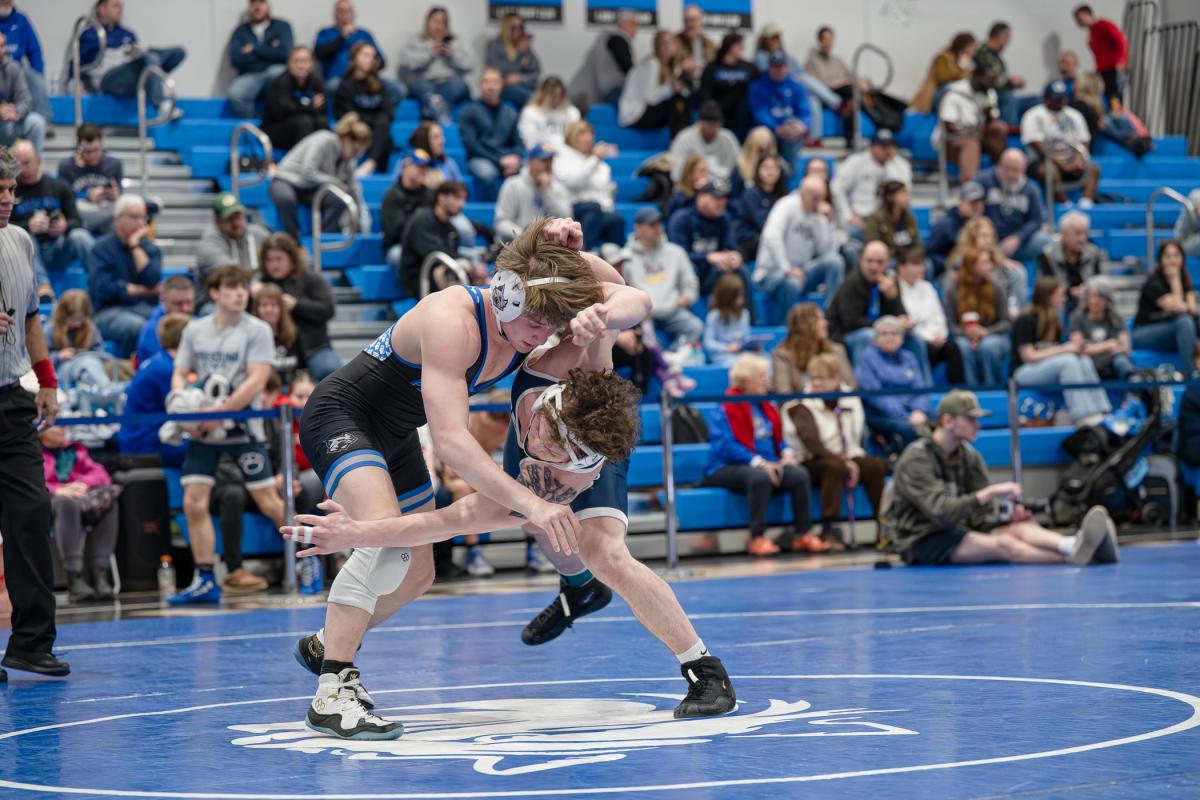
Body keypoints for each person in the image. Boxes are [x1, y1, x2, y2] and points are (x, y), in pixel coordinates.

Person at [287, 218, 652, 739]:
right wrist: (533, 503)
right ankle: (333, 691)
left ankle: (330, 639)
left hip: (395, 432)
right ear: (504, 296)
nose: (542, 337)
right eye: (536, 324)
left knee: (418, 574)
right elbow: (454, 442)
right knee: (382, 545)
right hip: (343, 416)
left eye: (551, 327)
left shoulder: (534, 301)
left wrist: (594, 303)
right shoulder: (451, 319)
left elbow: (636, 299)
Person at [285, 315, 735, 726]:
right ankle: (577, 589)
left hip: (599, 443)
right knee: (421, 570)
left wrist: (358, 533)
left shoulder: (554, 475)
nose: (534, 438)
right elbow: (624, 293)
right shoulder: (553, 364)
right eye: (540, 428)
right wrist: (598, 300)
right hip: (573, 426)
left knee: (606, 553)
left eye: (551, 449)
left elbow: (447, 522)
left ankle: (704, 669)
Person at [886, 390, 1117, 566]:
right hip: (921, 538)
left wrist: (1004, 520)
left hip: (957, 529)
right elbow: (940, 513)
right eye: (971, 419)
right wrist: (987, 494)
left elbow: (979, 517)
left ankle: (1071, 544)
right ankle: (1083, 556)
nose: (978, 425)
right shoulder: (917, 458)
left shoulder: (969, 456)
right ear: (948, 421)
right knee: (1006, 544)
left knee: (1021, 527)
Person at [166, 266, 285, 605]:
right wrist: (182, 407)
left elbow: (256, 381)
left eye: (244, 287)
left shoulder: (258, 329)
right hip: (203, 431)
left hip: (241, 429)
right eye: (232, 287)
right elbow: (180, 373)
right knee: (193, 501)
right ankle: (205, 579)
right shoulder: (195, 329)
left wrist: (215, 416)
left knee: (269, 502)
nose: (240, 294)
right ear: (215, 292)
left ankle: (315, 560)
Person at [0, 145, 68, 680]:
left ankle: (30, 642)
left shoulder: (20, 240)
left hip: (11, 398)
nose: (5, 200)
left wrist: (46, 382)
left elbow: (30, 319)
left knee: (30, 514)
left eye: (11, 190)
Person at [700, 353, 819, 556]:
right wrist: (759, 462)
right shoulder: (724, 407)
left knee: (799, 474)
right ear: (746, 381)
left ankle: (803, 533)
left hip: (768, 462)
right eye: (762, 377)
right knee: (760, 477)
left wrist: (786, 452)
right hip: (725, 466)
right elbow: (725, 446)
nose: (768, 381)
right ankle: (757, 537)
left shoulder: (766, 406)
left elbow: (777, 439)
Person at [789, 352, 886, 550]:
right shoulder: (800, 404)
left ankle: (885, 528)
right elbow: (812, 443)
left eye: (822, 378)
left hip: (846, 455)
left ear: (836, 379)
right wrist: (845, 462)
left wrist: (851, 459)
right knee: (835, 467)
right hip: (812, 460)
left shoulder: (850, 398)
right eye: (813, 378)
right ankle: (828, 531)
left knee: (875, 466)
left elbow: (855, 435)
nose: (816, 383)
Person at [1011, 277, 1111, 425]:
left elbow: (1055, 353)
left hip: (1045, 369)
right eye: (1060, 295)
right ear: (1049, 296)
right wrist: (1064, 349)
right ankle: (1083, 417)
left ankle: (1103, 411)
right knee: (1069, 361)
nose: (1064, 299)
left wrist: (1072, 349)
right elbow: (1028, 356)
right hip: (1022, 372)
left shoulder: (1055, 321)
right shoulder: (1026, 319)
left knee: (1083, 359)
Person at [827, 241, 931, 383]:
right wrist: (885, 328)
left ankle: (924, 388)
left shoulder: (890, 281)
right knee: (867, 336)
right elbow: (851, 323)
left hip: (882, 331)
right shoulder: (851, 283)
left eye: (879, 262)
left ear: (887, 263)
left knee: (914, 339)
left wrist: (893, 298)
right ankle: (865, 391)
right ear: (861, 260)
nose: (874, 266)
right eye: (869, 261)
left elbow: (901, 315)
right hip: (846, 336)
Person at [41, 421, 118, 603]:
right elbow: (30, 481)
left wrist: (82, 485)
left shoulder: (76, 451)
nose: (62, 428)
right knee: (66, 503)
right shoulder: (32, 453)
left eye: (62, 424)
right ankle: (74, 576)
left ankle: (101, 574)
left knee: (109, 503)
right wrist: (58, 489)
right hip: (47, 502)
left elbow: (101, 475)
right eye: (55, 425)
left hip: (80, 499)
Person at [78, 0, 186, 120]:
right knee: (151, 58)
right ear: (101, 9)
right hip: (108, 79)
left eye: (121, 7)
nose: (120, 10)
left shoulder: (128, 34)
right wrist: (76, 86)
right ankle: (160, 104)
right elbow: (77, 65)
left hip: (131, 74)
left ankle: (151, 81)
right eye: (115, 6)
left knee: (178, 53)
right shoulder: (91, 35)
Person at [269, 113, 370, 242]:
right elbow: (308, 173)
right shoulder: (324, 139)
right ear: (346, 140)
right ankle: (294, 243)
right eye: (355, 150)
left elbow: (353, 186)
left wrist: (362, 215)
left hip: (310, 189)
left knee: (340, 198)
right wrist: (336, 182)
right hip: (286, 180)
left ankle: (323, 241)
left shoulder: (349, 161)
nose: (355, 156)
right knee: (286, 199)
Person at [254, 232, 340, 382]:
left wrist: (297, 304)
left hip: (314, 348)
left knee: (330, 372)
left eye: (279, 259)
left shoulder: (311, 279)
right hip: (273, 349)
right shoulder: (260, 285)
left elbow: (328, 309)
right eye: (269, 260)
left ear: (292, 259)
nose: (274, 265)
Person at [755, 175, 844, 315]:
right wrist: (786, 268)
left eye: (822, 198)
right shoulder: (786, 205)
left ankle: (831, 317)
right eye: (815, 198)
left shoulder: (819, 216)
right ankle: (787, 330)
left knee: (835, 261)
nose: (819, 203)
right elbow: (771, 237)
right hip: (771, 273)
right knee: (793, 283)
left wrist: (829, 223)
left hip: (802, 271)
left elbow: (826, 251)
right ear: (802, 195)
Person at [11, 141, 93, 292]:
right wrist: (28, 225)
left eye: (27, 163)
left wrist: (64, 225)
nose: (23, 169)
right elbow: (4, 227)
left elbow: (77, 220)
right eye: (18, 164)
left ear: (39, 161)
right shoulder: (9, 189)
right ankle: (43, 286)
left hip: (59, 248)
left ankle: (99, 280)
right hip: (26, 253)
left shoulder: (59, 186)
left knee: (80, 235)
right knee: (24, 236)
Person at [87, 194, 161, 359]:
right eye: (134, 217)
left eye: (143, 218)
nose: (140, 223)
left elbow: (153, 279)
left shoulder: (149, 249)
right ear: (117, 218)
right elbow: (103, 288)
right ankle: (135, 369)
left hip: (144, 308)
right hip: (108, 311)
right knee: (137, 327)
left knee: (168, 324)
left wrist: (135, 247)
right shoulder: (101, 249)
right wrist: (144, 290)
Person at [622, 206, 703, 349]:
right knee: (645, 341)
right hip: (644, 314)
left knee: (696, 327)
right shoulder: (626, 257)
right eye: (651, 225)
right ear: (638, 227)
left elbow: (691, 282)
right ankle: (662, 362)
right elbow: (623, 289)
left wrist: (687, 297)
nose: (657, 228)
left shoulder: (675, 252)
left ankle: (672, 358)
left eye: (659, 223)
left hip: (673, 309)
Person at [119, 311, 190, 466]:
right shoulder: (166, 369)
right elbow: (182, 411)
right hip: (144, 444)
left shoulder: (161, 361)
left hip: (144, 437)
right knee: (207, 450)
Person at [668, 178, 751, 300]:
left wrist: (734, 256)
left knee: (739, 269)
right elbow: (678, 257)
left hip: (712, 272)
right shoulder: (681, 219)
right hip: (690, 274)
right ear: (701, 197)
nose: (721, 203)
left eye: (724, 198)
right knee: (693, 269)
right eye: (716, 198)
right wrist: (708, 256)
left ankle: (752, 318)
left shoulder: (724, 219)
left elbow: (729, 247)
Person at [855, 315, 931, 449]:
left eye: (894, 333)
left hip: (912, 413)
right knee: (908, 429)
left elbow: (920, 388)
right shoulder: (867, 358)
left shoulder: (909, 358)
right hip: (881, 414)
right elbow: (875, 395)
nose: (889, 337)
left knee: (939, 423)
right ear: (875, 338)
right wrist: (905, 416)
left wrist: (919, 410)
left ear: (902, 338)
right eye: (884, 334)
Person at [1021, 81, 1099, 208]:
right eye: (1057, 98)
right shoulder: (1034, 115)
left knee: (1093, 168)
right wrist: (1062, 164)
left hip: (1071, 160)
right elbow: (1037, 146)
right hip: (1042, 161)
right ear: (1046, 98)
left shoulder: (1074, 115)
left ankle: (1086, 204)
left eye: (1063, 97)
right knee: (1049, 170)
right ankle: (1064, 204)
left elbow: (1084, 141)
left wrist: (1078, 160)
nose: (1061, 101)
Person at [396, 180, 476, 298]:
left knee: (481, 277)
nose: (461, 204)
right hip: (418, 277)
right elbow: (433, 253)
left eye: (464, 200)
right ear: (441, 198)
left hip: (441, 271)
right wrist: (465, 262)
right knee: (445, 272)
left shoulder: (451, 229)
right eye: (457, 198)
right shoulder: (421, 221)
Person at [945, 246, 1012, 386]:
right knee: (961, 346)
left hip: (994, 335)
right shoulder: (953, 289)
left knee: (988, 346)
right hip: (964, 336)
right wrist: (965, 332)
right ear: (972, 266)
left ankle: (991, 386)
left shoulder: (997, 287)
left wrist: (986, 331)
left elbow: (1006, 322)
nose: (990, 266)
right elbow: (950, 324)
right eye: (985, 262)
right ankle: (971, 388)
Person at [897, 246, 965, 384]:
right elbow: (909, 323)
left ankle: (959, 391)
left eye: (921, 264)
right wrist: (929, 338)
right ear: (901, 268)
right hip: (915, 340)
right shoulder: (895, 290)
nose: (921, 269)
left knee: (953, 348)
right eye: (915, 265)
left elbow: (939, 317)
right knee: (918, 344)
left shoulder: (927, 287)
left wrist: (940, 335)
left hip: (937, 338)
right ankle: (924, 391)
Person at [1132, 240, 1199, 377]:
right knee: (1184, 322)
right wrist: (1175, 279)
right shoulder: (1153, 282)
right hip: (1144, 334)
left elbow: (1193, 311)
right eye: (1168, 256)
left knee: (1190, 323)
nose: (1172, 260)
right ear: (1160, 259)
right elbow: (1179, 307)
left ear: (1182, 258)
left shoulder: (1186, 281)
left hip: (1174, 332)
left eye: (1176, 256)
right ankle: (1190, 375)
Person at [315, 0, 403, 104]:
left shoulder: (364, 34)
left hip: (366, 79)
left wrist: (368, 63)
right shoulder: (325, 33)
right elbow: (318, 53)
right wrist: (342, 37)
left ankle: (380, 115)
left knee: (398, 89)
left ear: (354, 14)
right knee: (333, 87)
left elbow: (382, 61)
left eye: (348, 11)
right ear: (334, 14)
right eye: (341, 11)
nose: (345, 15)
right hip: (338, 79)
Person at [554, 121, 624, 251]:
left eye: (590, 134)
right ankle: (585, 252)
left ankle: (616, 260)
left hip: (598, 209)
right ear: (572, 136)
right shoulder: (562, 157)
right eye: (582, 133)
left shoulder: (600, 164)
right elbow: (573, 182)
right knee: (592, 208)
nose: (588, 138)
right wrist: (594, 160)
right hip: (571, 208)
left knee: (617, 220)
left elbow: (605, 189)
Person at [195, 192, 271, 310]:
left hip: (252, 298)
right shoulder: (209, 244)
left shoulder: (259, 235)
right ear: (217, 221)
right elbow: (230, 272)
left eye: (238, 216)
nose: (236, 223)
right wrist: (254, 285)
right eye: (229, 219)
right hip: (215, 301)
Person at [830, 129, 912, 237]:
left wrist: (891, 165)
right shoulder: (856, 162)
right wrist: (848, 215)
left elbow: (904, 194)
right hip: (861, 217)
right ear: (872, 147)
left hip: (889, 219)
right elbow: (836, 188)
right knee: (852, 238)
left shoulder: (901, 165)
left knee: (906, 236)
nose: (888, 150)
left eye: (891, 146)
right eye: (883, 147)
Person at [932, 63, 1007, 182]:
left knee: (999, 128)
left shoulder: (989, 93)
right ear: (976, 77)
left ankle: (1000, 175)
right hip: (953, 141)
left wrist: (988, 114)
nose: (991, 84)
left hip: (979, 135)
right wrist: (970, 134)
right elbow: (949, 126)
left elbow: (991, 123)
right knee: (971, 143)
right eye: (988, 80)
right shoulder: (954, 94)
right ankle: (969, 186)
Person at [978, 148, 1052, 265]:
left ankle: (1040, 281)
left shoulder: (1031, 189)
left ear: (1023, 171)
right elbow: (971, 210)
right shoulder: (983, 181)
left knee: (1044, 240)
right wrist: (986, 238)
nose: (1010, 174)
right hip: (987, 240)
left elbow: (1036, 221)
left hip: (1016, 243)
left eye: (1015, 170)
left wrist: (1017, 238)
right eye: (1007, 169)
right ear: (999, 165)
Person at [400, 6, 471, 123]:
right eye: (436, 21)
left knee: (458, 85)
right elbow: (407, 63)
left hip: (450, 82)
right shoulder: (415, 41)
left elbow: (469, 65)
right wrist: (430, 54)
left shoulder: (456, 42)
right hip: (424, 81)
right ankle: (443, 121)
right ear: (427, 22)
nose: (439, 25)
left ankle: (433, 116)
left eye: (443, 22)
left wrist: (452, 55)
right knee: (425, 89)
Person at [460, 67, 523, 202]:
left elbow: (518, 143)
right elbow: (472, 146)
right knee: (487, 173)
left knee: (528, 170)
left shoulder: (509, 112)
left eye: (495, 82)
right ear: (480, 85)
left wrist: (515, 158)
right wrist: (499, 161)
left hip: (506, 157)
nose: (491, 86)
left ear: (501, 85)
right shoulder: (469, 111)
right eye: (486, 82)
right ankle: (498, 210)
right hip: (480, 157)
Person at [946, 215, 1027, 317]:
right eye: (984, 236)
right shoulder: (959, 262)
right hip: (971, 312)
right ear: (972, 238)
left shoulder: (998, 261)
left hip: (1000, 310)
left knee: (1017, 271)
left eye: (991, 236)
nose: (989, 240)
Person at [333, 42, 395, 176]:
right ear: (354, 58)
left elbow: (388, 111)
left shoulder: (379, 84)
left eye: (372, 56)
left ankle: (370, 164)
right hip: (355, 128)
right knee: (374, 125)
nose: (370, 60)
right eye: (365, 55)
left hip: (376, 128)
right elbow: (346, 115)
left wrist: (371, 119)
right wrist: (369, 119)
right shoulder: (345, 85)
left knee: (384, 126)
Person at [226, 0, 293, 119]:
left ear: (268, 6)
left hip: (274, 71)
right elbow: (236, 59)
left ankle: (279, 119)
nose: (257, 7)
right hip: (250, 74)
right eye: (253, 3)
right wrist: (270, 50)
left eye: (261, 2)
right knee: (235, 94)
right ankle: (254, 124)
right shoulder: (240, 31)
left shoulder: (282, 26)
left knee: (277, 73)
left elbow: (285, 53)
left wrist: (254, 49)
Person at [771, 303, 856, 393]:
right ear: (804, 325)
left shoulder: (836, 350)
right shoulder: (782, 355)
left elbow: (851, 386)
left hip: (834, 404)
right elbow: (784, 393)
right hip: (799, 406)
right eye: (820, 319)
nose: (826, 323)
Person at [619, 30, 691, 135]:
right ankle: (678, 143)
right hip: (636, 114)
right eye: (663, 43)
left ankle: (681, 140)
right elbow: (650, 97)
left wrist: (680, 88)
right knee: (675, 103)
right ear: (657, 47)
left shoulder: (672, 67)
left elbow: (683, 93)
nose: (667, 47)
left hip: (648, 110)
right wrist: (671, 88)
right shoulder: (652, 64)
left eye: (671, 42)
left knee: (683, 102)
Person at [495, 143, 571, 242]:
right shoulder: (512, 184)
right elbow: (501, 222)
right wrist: (525, 236)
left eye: (550, 161)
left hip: (547, 246)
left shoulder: (557, 188)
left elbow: (566, 218)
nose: (548, 165)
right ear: (530, 161)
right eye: (543, 161)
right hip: (515, 243)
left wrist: (547, 192)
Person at [56, 124, 121, 236]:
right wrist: (88, 195)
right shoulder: (67, 166)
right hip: (81, 211)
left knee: (123, 208)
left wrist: (115, 194)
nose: (91, 156)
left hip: (105, 208)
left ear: (101, 144)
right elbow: (63, 199)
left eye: (95, 150)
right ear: (78, 147)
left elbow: (120, 194)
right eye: (86, 151)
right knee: (75, 208)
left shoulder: (114, 164)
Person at [748, 50, 811, 165]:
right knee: (761, 135)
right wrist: (776, 128)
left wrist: (801, 125)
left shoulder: (796, 85)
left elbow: (805, 112)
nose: (779, 71)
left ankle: (788, 177)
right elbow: (759, 113)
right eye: (775, 67)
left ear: (787, 67)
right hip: (770, 129)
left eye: (781, 67)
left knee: (793, 135)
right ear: (769, 67)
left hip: (791, 128)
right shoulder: (758, 86)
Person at [260, 46, 328, 151]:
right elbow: (284, 111)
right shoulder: (281, 82)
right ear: (289, 63)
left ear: (312, 64)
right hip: (276, 129)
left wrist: (304, 107)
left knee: (322, 122)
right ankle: (302, 161)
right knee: (303, 122)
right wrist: (310, 106)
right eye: (296, 61)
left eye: (305, 61)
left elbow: (322, 110)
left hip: (303, 126)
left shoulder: (316, 82)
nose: (301, 65)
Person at [568, 8, 637, 109]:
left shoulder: (606, 39)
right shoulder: (617, 39)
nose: (636, 29)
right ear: (622, 23)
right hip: (611, 91)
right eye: (633, 24)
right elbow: (628, 67)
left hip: (593, 92)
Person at [1068, 275, 1133, 380]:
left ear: (1107, 299)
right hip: (1088, 362)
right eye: (1091, 296)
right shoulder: (1077, 317)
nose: (1095, 301)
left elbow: (1125, 348)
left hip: (1111, 363)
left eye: (1099, 297)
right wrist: (1108, 345)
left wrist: (1093, 348)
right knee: (1081, 362)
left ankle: (1135, 384)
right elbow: (1078, 348)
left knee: (1121, 361)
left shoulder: (1116, 318)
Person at [1038, 210, 1102, 316]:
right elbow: (1045, 287)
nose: (1082, 239)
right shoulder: (1048, 255)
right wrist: (1069, 292)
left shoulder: (1093, 252)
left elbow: (1099, 280)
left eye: (1084, 233)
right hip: (1059, 298)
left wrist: (1087, 290)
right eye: (1077, 234)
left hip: (1086, 297)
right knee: (1057, 305)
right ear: (1064, 235)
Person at [43, 290, 109, 389]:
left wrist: (84, 353)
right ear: (64, 315)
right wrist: (59, 356)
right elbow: (41, 360)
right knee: (86, 366)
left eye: (81, 319)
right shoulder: (50, 329)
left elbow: (100, 353)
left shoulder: (89, 328)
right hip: (62, 370)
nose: (77, 323)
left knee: (88, 369)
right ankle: (105, 392)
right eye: (73, 319)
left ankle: (103, 392)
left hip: (88, 365)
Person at [700, 34, 758, 140]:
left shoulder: (750, 68)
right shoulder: (712, 68)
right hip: (719, 114)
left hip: (742, 116)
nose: (742, 49)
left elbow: (758, 91)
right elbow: (705, 94)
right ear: (729, 46)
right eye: (739, 46)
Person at [382, 150, 434, 269]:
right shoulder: (392, 195)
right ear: (406, 166)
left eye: (425, 167)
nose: (423, 171)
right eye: (419, 166)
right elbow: (394, 232)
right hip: (399, 245)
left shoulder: (429, 194)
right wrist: (418, 215)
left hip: (426, 243)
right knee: (400, 255)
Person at [669, 100, 740, 185]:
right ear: (700, 122)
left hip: (723, 188)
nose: (712, 127)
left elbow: (740, 165)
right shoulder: (684, 139)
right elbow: (676, 174)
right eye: (709, 123)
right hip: (692, 187)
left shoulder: (727, 138)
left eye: (715, 123)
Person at [0, 0, 50, 119]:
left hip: (15, 70)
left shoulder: (21, 20)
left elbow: (34, 51)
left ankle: (43, 121)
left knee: (35, 79)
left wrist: (39, 75)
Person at [733, 153, 787, 262]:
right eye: (766, 168)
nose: (771, 172)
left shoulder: (783, 195)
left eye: (775, 168)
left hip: (774, 239)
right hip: (750, 241)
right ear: (758, 170)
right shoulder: (750, 193)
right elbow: (763, 223)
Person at [927, 180, 985, 280]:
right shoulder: (944, 226)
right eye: (972, 202)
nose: (977, 206)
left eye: (980, 202)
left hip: (980, 269)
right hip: (951, 272)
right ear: (961, 202)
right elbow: (931, 254)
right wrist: (950, 264)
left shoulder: (985, 225)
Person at [1073, 4, 1128, 106]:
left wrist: (1121, 61)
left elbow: (1121, 42)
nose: (1079, 23)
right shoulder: (1091, 34)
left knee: (1114, 97)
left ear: (1087, 14)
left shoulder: (1104, 25)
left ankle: (1117, 116)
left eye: (1080, 19)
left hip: (1113, 68)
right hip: (1102, 71)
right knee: (1105, 97)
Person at [975, 22, 1028, 125]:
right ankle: (1009, 134)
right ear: (999, 36)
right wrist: (1009, 83)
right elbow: (986, 79)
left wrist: (1012, 82)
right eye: (1007, 37)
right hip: (991, 94)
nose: (1008, 41)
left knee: (1037, 100)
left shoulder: (997, 57)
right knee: (1009, 98)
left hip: (1005, 92)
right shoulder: (981, 53)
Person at [134, 273, 193, 365]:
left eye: (189, 302)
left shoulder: (197, 322)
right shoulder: (153, 330)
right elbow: (165, 365)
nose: (185, 309)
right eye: (178, 304)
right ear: (163, 300)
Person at [909, 32, 975, 114]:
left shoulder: (971, 62)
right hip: (935, 97)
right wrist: (962, 68)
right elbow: (943, 77)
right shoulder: (943, 57)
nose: (974, 51)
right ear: (963, 46)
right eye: (971, 47)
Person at [486, 13, 541, 109]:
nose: (519, 30)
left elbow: (536, 72)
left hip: (525, 85)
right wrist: (518, 54)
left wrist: (521, 78)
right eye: (515, 27)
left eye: (521, 27)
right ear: (506, 28)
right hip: (504, 88)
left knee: (544, 93)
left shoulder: (524, 46)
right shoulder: (495, 46)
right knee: (533, 98)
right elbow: (500, 71)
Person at [0, 32, 43, 154]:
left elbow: (25, 99)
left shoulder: (13, 67)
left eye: (2, 46)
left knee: (36, 122)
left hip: (11, 120)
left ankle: (33, 166)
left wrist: (16, 112)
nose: (1, 50)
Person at [518, 76, 581, 152]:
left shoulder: (572, 112)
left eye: (560, 95)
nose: (557, 100)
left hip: (567, 155)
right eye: (553, 96)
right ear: (543, 95)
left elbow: (576, 138)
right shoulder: (530, 112)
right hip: (542, 155)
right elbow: (530, 143)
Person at [252, 284, 300, 382]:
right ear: (257, 309)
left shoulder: (294, 332)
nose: (269, 310)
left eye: (273, 305)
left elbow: (302, 367)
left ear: (281, 308)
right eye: (264, 305)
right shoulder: (251, 335)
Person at [863, 179, 921, 261]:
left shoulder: (910, 218)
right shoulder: (876, 219)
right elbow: (873, 245)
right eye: (902, 193)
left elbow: (917, 245)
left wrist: (911, 257)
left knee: (926, 265)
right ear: (890, 197)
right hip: (887, 259)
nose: (907, 197)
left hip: (907, 259)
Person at [703, 273, 750, 367]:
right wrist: (726, 348)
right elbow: (708, 342)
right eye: (737, 297)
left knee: (765, 360)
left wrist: (751, 346)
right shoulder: (714, 316)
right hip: (722, 356)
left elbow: (746, 338)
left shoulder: (745, 314)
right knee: (739, 365)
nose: (740, 300)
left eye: (741, 295)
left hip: (741, 353)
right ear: (727, 297)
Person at [673, 3, 716, 91]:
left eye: (693, 20)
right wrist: (680, 68)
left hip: (704, 89)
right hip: (680, 89)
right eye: (686, 20)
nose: (689, 24)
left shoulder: (709, 44)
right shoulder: (673, 42)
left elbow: (716, 67)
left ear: (701, 21)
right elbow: (662, 68)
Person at [408, 121, 463, 185]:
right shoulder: (408, 164)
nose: (442, 141)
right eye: (436, 137)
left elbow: (461, 192)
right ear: (424, 141)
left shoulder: (449, 164)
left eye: (441, 136)